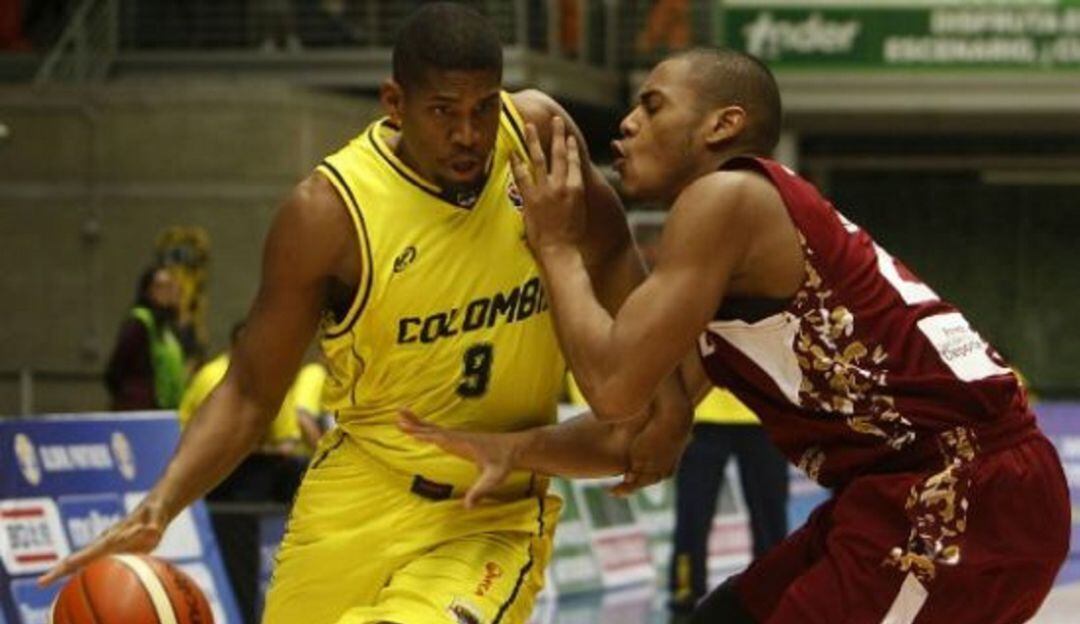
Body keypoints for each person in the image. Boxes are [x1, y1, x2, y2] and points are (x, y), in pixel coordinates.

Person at [40, 5, 690, 624]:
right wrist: (162, 502)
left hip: (489, 510)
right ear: (393, 103)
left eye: (483, 108)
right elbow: (248, 390)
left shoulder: (539, 138)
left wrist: (664, 396)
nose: (468, 134)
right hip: (357, 492)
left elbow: (610, 255)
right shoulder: (329, 214)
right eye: (443, 112)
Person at [406, 47, 1070, 623]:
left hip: (965, 493)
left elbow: (611, 386)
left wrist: (555, 248)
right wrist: (512, 450)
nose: (627, 124)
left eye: (653, 106)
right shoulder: (723, 269)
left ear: (723, 125)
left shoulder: (727, 197)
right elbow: (631, 434)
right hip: (895, 492)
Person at [668, 388, 787, 617]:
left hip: (763, 411)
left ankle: (773, 592)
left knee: (771, 520)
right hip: (704, 413)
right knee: (692, 516)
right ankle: (684, 594)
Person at [178, 321, 307, 503]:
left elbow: (287, 442)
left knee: (296, 467)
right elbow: (190, 432)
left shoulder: (274, 378)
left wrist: (256, 448)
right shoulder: (210, 377)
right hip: (206, 461)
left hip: (254, 464)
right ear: (233, 347)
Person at [104, 265, 187, 411]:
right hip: (139, 408)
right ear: (147, 291)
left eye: (170, 286)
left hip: (166, 409)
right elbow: (115, 370)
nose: (167, 292)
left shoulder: (167, 328)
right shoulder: (139, 323)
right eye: (161, 286)